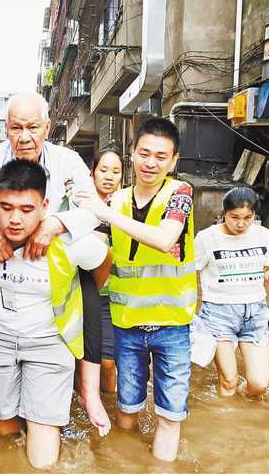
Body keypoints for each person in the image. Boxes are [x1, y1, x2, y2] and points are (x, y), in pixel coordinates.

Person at [0, 92, 110, 443]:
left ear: (47, 127)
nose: (24, 137)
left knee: (88, 297)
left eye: (33, 127)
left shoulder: (67, 161)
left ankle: (88, 392)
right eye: (16, 128)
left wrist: (54, 225)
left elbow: (94, 209)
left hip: (56, 253)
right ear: (6, 128)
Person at [0, 159, 112, 469]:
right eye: (6, 207)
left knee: (42, 459)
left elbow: (101, 266)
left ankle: (46, 418)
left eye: (27, 210)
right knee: (7, 428)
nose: (14, 219)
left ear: (45, 206)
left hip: (50, 343)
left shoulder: (71, 241)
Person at [79, 118, 196, 462]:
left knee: (170, 417)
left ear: (173, 161)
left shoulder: (180, 193)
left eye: (161, 156)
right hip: (126, 324)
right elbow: (91, 249)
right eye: (144, 153)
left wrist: (106, 213)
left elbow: (164, 239)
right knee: (127, 413)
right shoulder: (116, 201)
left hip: (172, 325)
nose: (151, 162)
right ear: (132, 154)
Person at [194, 186, 269, 397]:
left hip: (255, 314)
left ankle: (242, 414)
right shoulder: (205, 238)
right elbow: (186, 273)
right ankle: (225, 425)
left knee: (258, 385)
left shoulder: (262, 234)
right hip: (218, 314)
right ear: (224, 214)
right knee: (229, 382)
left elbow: (267, 271)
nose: (241, 224)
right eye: (234, 217)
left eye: (248, 218)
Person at [90, 148, 123, 393]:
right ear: (92, 172)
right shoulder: (79, 205)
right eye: (104, 170)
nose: (109, 176)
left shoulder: (126, 208)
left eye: (116, 171)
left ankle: (111, 407)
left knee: (109, 362)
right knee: (84, 360)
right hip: (84, 293)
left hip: (116, 297)